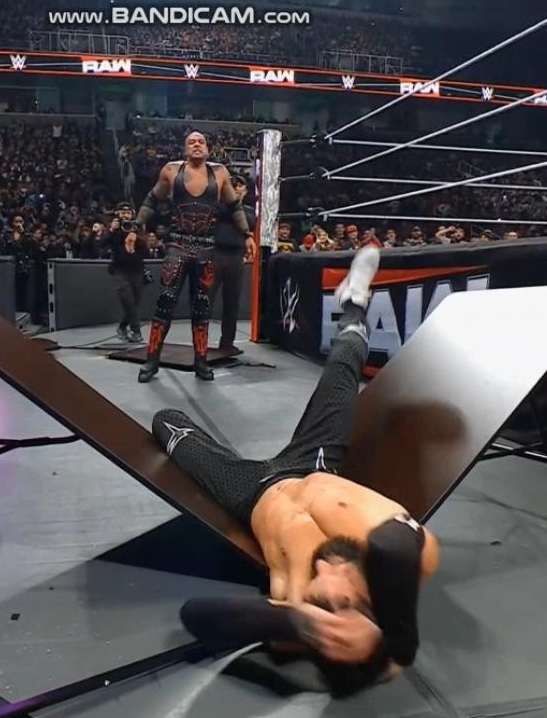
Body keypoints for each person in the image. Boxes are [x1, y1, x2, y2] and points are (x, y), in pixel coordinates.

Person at [151, 246, 441, 690]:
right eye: (345, 598)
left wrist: (301, 624)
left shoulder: (296, 604)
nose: (326, 570)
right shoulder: (399, 559)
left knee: (167, 424)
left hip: (249, 491)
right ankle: (354, 303)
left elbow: (195, 616)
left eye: (319, 598)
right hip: (316, 461)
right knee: (343, 369)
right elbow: (393, 548)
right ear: (374, 609)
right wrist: (401, 644)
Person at [134, 131, 252, 382]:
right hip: (178, 244)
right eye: (191, 142)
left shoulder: (220, 172)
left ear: (208, 148)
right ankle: (151, 361)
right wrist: (135, 228)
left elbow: (234, 206)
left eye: (201, 142)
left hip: (206, 248)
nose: (197, 145)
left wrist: (247, 235)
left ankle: (201, 362)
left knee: (202, 307)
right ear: (185, 148)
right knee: (164, 304)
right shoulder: (171, 170)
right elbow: (151, 199)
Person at [211, 174, 257, 354]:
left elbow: (249, 222)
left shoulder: (248, 211)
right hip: (216, 254)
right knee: (205, 300)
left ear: (245, 191)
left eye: (241, 186)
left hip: (236, 258)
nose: (237, 189)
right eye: (234, 185)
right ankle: (199, 341)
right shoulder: (218, 206)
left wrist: (234, 209)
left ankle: (227, 343)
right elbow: (223, 213)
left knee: (232, 302)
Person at [107, 201, 146, 343]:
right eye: (122, 212)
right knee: (127, 300)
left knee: (134, 302)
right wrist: (112, 231)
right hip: (119, 270)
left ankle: (122, 327)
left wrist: (137, 238)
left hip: (137, 269)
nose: (125, 215)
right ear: (117, 214)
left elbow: (146, 252)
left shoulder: (137, 229)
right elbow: (101, 245)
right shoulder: (114, 230)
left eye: (128, 213)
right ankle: (136, 330)